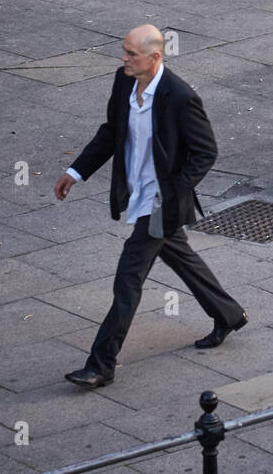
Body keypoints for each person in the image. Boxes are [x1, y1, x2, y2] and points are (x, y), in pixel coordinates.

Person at [54, 24, 247, 388]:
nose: (123, 59)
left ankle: (101, 364)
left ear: (155, 57)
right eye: (124, 52)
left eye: (131, 54)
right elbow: (112, 131)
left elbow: (206, 152)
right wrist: (76, 171)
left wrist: (172, 193)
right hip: (139, 193)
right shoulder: (125, 80)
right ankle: (229, 314)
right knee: (180, 256)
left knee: (128, 278)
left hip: (161, 204)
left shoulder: (179, 96)